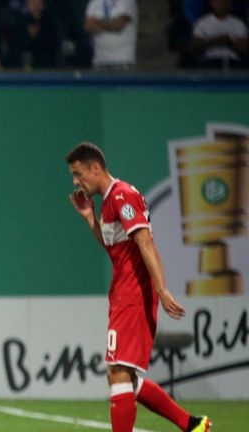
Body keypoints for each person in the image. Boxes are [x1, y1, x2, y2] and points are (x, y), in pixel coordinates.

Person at [66, 142, 211, 432]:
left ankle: (191, 424)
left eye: (78, 174)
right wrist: (91, 219)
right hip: (122, 294)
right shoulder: (109, 201)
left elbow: (146, 242)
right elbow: (114, 249)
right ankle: (193, 424)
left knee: (118, 373)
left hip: (133, 294)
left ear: (95, 167)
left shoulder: (123, 195)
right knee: (125, 377)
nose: (76, 181)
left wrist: (161, 290)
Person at [187, 0, 248, 68]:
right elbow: (193, 49)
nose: (218, 4)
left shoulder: (238, 23)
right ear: (211, 3)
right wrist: (212, 41)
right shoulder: (202, 22)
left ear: (228, 3)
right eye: (215, 1)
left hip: (232, 62)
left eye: (221, 1)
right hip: (208, 61)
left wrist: (229, 42)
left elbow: (244, 49)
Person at [83, 0, 137, 69]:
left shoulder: (127, 1)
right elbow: (88, 25)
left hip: (123, 61)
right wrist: (109, 24)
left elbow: (118, 25)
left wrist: (97, 23)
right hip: (100, 62)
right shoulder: (95, 2)